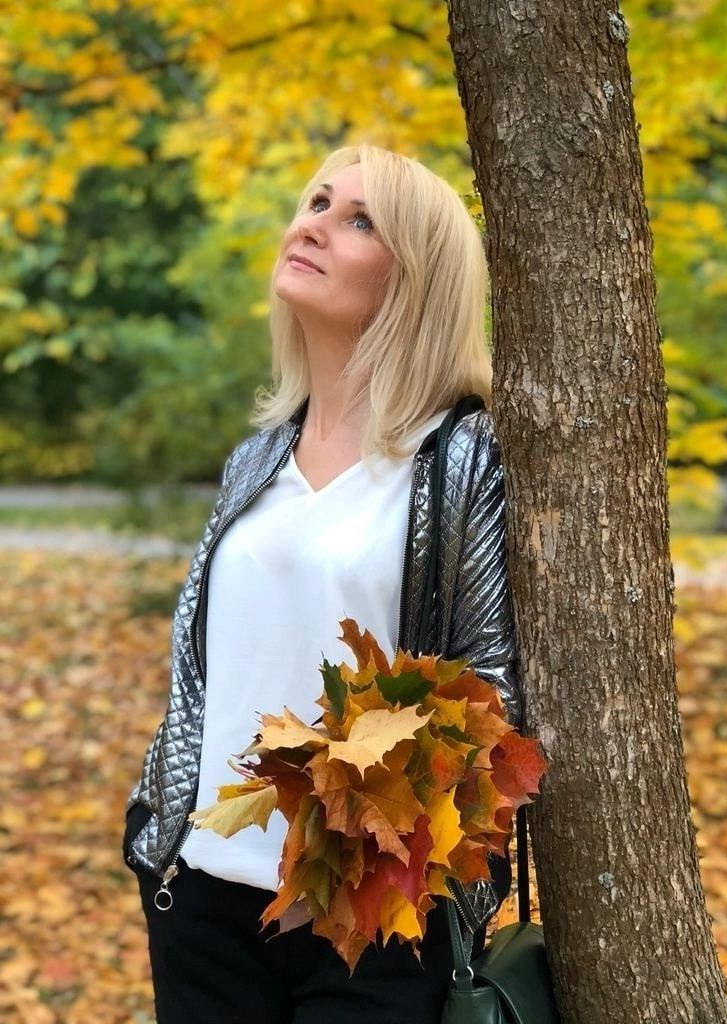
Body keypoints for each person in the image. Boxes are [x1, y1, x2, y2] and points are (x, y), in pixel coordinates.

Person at [123, 144, 523, 1024]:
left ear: (416, 279)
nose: (312, 226)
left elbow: (489, 694)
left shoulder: (460, 458)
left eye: (358, 221)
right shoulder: (257, 460)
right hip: (202, 897)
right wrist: (157, 827)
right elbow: (201, 669)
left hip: (373, 926)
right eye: (315, 203)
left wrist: (357, 854)